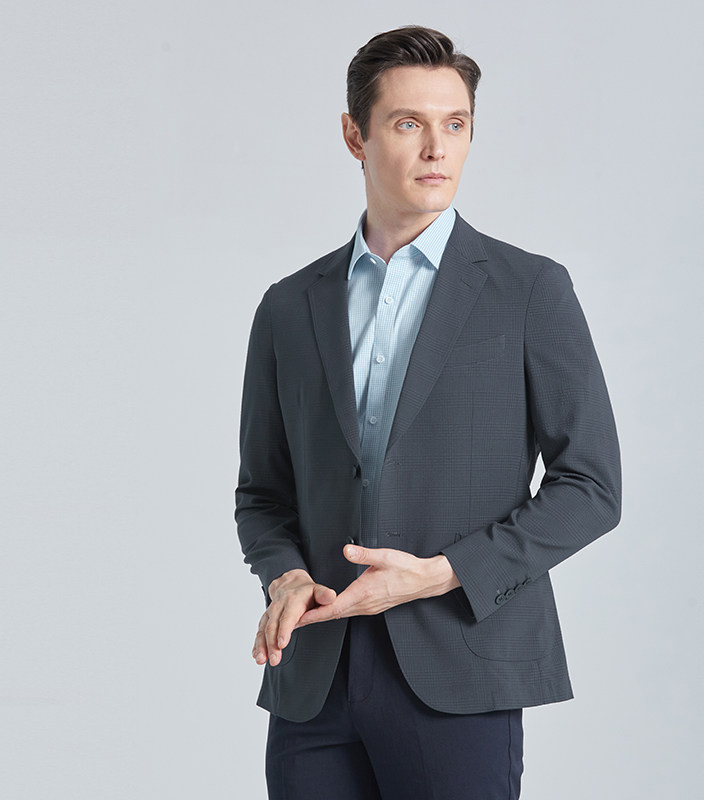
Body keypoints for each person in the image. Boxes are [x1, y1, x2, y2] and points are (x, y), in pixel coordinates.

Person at [235, 25, 621, 800]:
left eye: (456, 124)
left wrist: (441, 575)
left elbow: (591, 487)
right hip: (314, 680)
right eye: (409, 123)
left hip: (459, 670)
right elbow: (263, 495)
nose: (437, 148)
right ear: (356, 136)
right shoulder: (289, 306)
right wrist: (284, 577)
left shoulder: (529, 291)